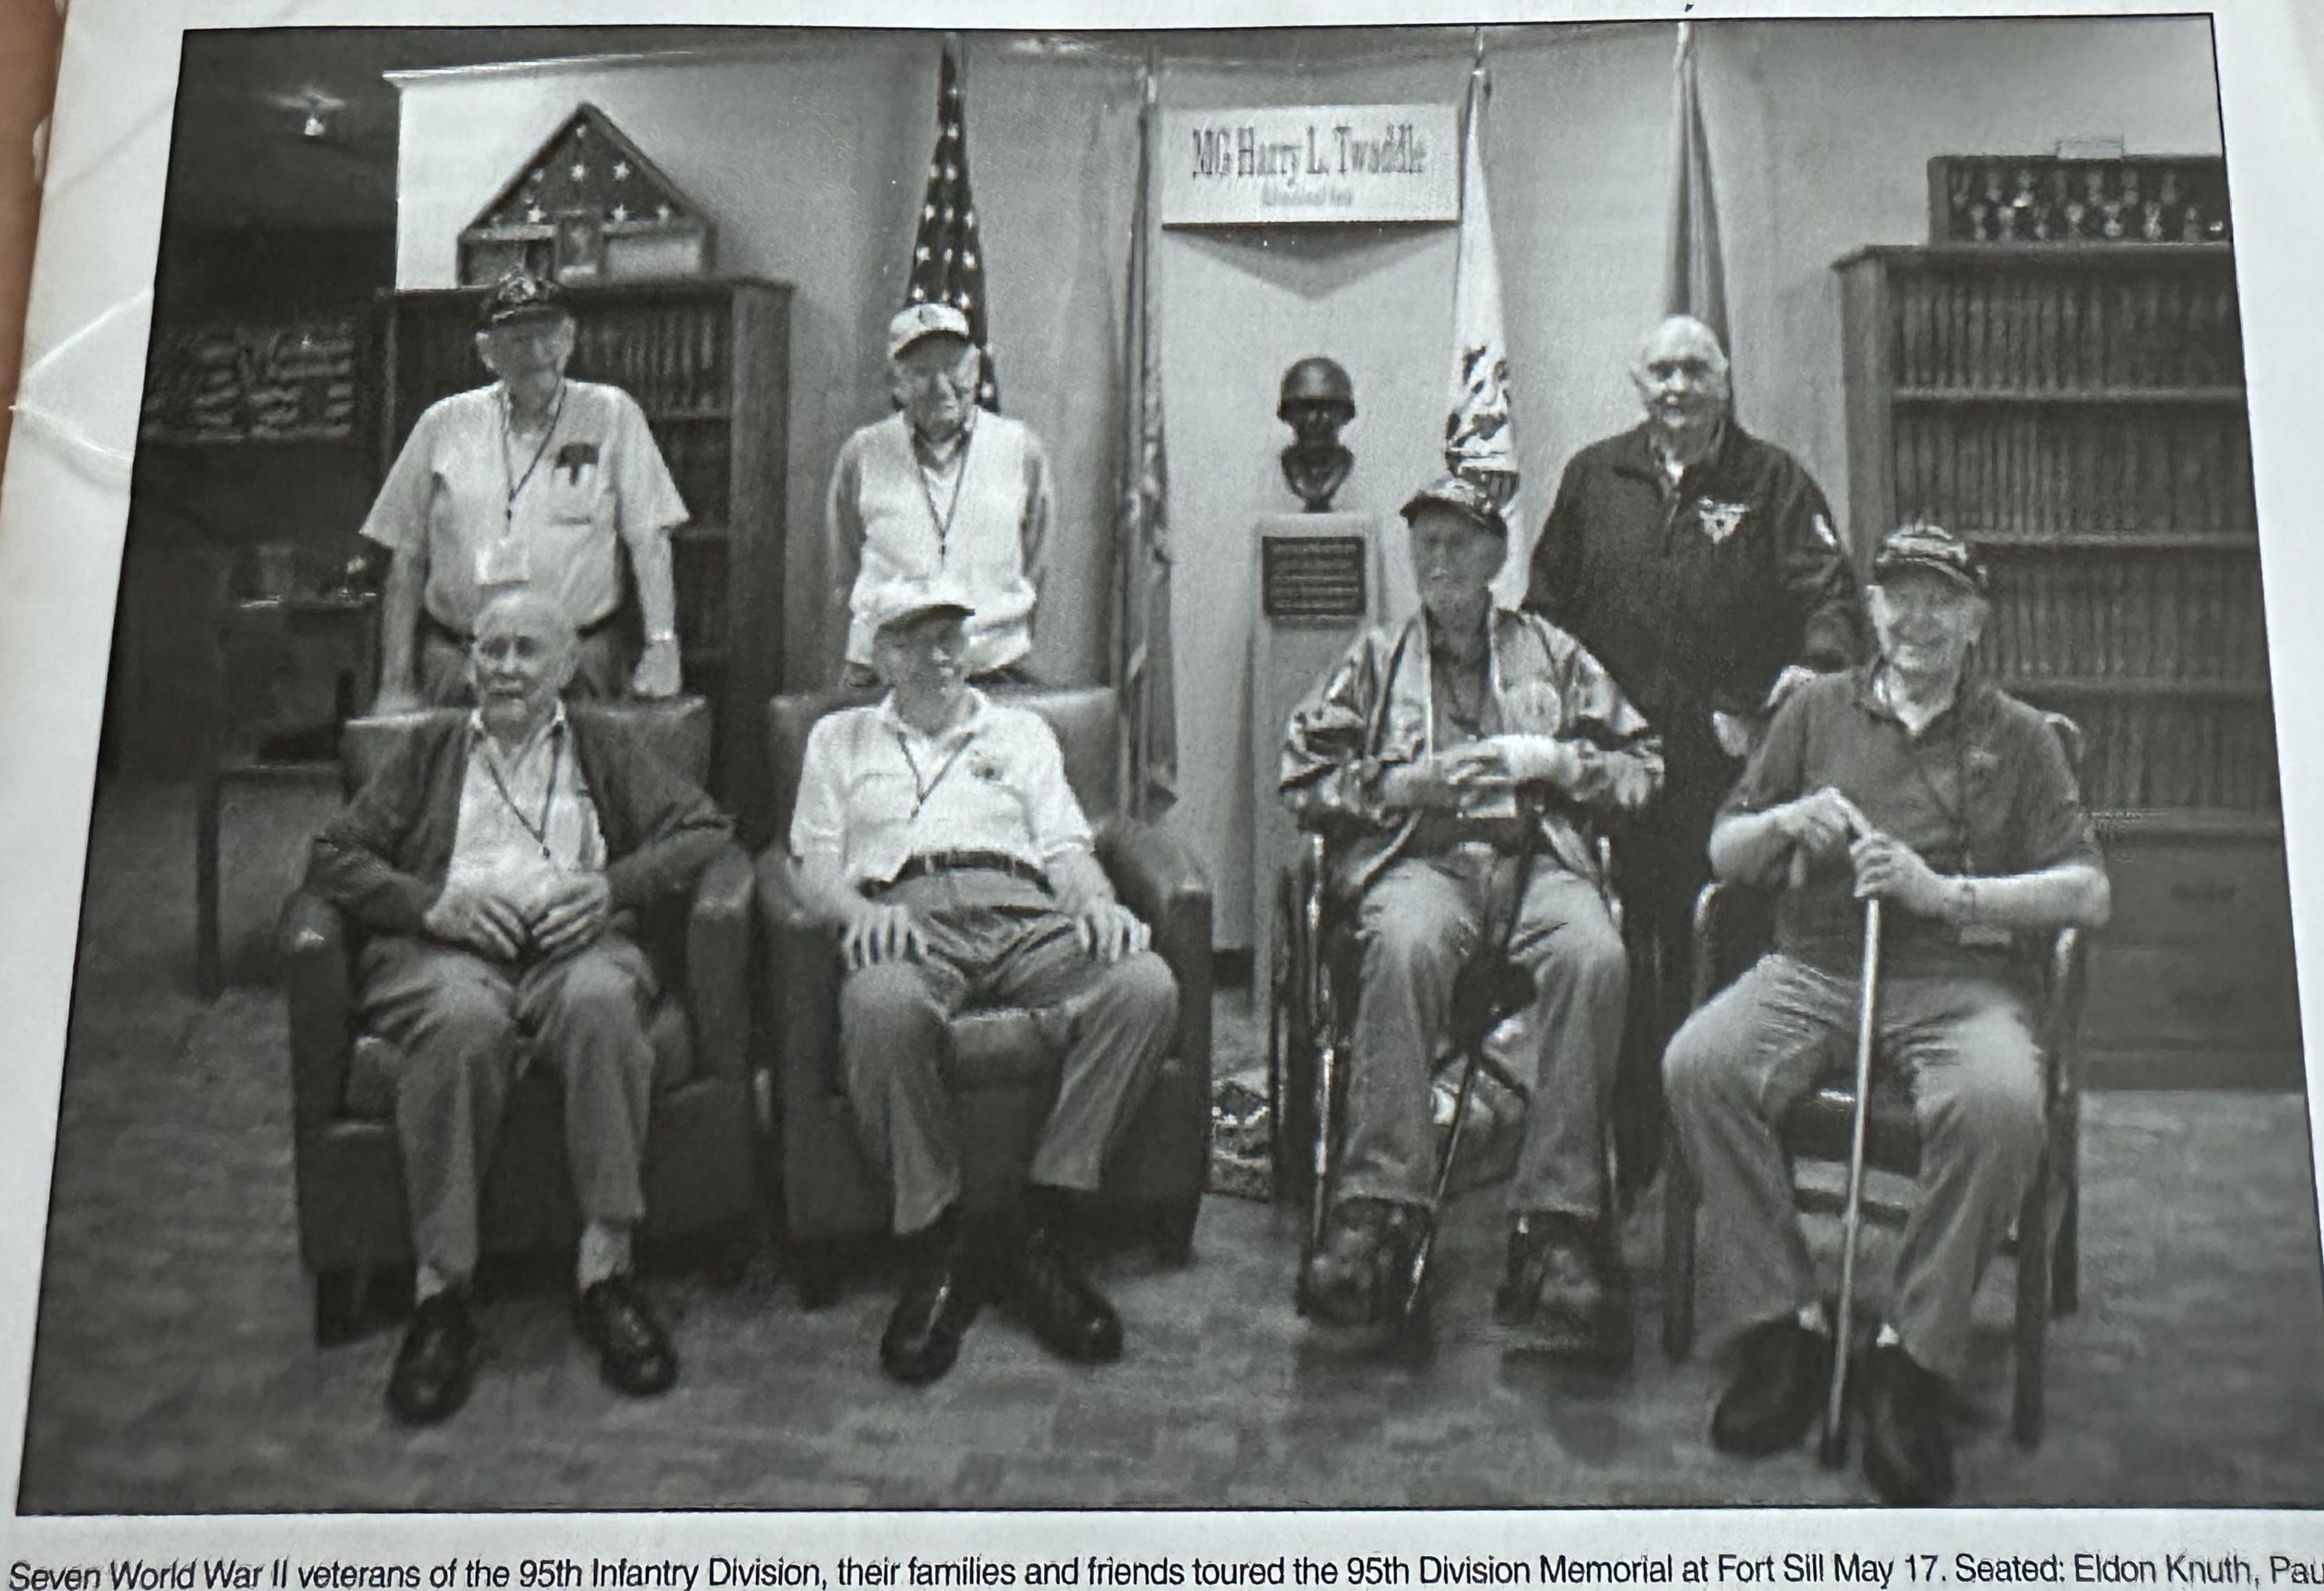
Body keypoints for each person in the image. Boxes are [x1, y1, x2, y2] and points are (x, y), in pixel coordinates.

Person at [1662, 523, 2110, 1505]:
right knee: (1698, 1064)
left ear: (1976, 620)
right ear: (1870, 609)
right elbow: (1723, 850)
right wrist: (1783, 821)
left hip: (1963, 986)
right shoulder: (1812, 709)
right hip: (1815, 967)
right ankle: (1788, 1325)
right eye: (1898, 596)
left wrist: (1942, 894)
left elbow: (2087, 892)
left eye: (1940, 600)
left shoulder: (2020, 737)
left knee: (2000, 1106)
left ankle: (1910, 1357)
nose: (1917, 619)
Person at [305, 590, 732, 1427]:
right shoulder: (431, 749)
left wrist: (613, 887)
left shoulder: (607, 743)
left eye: (525, 650)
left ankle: (607, 1272)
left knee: (603, 1004)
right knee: (463, 1024)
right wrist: (432, 906)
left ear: (568, 665)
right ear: (468, 665)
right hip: (448, 957)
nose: (503, 667)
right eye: (489, 649)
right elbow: (333, 854)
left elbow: (704, 830)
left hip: (577, 950)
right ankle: (441, 1296)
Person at [1279, 476, 1664, 1362]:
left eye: (1459, 543)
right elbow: (1300, 775)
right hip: (1421, 861)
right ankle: (1379, 1211)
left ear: (1497, 556)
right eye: (1427, 544)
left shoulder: (1552, 653)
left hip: (1538, 863)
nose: (1440, 561)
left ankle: (1558, 1224)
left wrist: (1561, 765)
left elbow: (1643, 765)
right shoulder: (1375, 660)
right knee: (1403, 945)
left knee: (1595, 955)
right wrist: (1401, 783)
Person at [785, 582, 1178, 1386]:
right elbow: (813, 867)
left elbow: (1067, 850)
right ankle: (940, 1239)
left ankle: (1043, 1222)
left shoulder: (1022, 732)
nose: (943, 657)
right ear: (883, 655)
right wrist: (859, 913)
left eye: (953, 638)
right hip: (907, 914)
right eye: (919, 641)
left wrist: (1097, 905)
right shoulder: (838, 739)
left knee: (1144, 984)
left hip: (1023, 909)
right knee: (879, 1005)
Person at [1525, 313, 1866, 1196]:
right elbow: (1543, 610)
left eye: (1694, 369)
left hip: (1727, 768)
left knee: (1718, 952)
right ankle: (1632, 1158)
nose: (1676, 386)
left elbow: (1831, 598)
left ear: (1724, 381)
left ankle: (1722, 1159)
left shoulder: (1773, 480)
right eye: (1661, 371)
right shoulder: (1593, 477)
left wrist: (1812, 670)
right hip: (1611, 765)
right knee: (1618, 959)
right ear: (1638, 386)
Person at [361, 271, 690, 711]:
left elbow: (649, 539)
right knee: (459, 758)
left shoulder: (612, 413)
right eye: (519, 341)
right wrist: (395, 680)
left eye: (549, 337)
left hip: (578, 661)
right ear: (487, 352)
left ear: (570, 339)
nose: (537, 355)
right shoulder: (443, 424)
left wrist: (662, 646)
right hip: (462, 659)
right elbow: (407, 558)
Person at [826, 302, 1052, 688]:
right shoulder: (862, 453)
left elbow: (1036, 564)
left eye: (953, 367)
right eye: (921, 372)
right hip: (885, 676)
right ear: (895, 382)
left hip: (994, 668)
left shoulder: (1021, 449)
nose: (941, 386)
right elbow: (844, 573)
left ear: (977, 369)